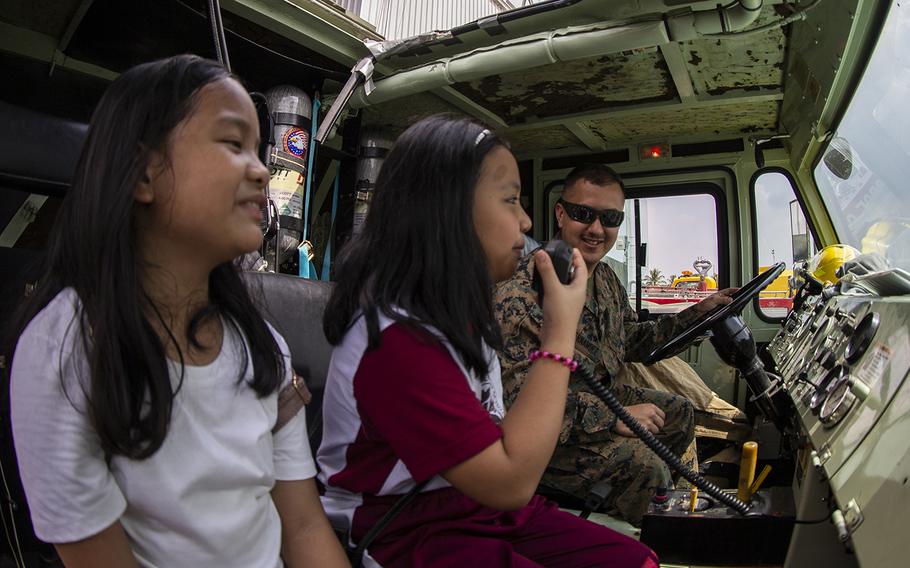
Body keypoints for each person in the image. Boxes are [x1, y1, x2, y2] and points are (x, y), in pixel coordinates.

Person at [7, 55, 347, 567]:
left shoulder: (262, 349)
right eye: (234, 144)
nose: (262, 169)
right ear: (145, 174)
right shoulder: (66, 348)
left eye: (260, 149)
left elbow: (301, 526)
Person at [317, 116, 658, 567]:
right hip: (406, 527)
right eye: (511, 200)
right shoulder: (399, 339)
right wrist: (560, 331)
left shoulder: (457, 313)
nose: (525, 219)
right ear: (451, 211)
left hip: (479, 508)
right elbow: (511, 481)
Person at [494, 163, 738, 526]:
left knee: (679, 413)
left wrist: (698, 313)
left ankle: (637, 509)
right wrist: (613, 418)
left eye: (610, 218)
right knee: (647, 467)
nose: (596, 229)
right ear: (561, 214)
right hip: (548, 433)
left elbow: (632, 340)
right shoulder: (521, 290)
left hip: (600, 400)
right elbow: (514, 399)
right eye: (583, 214)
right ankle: (641, 537)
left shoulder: (605, 278)